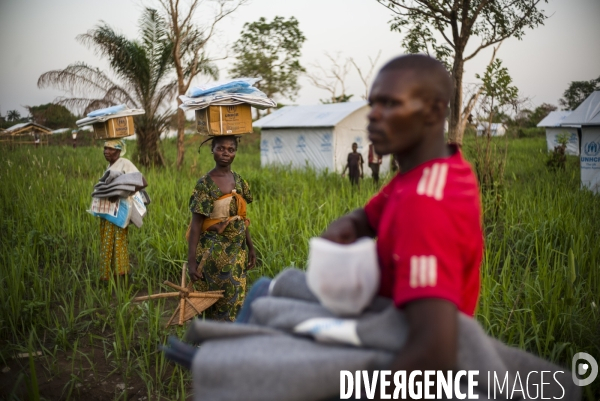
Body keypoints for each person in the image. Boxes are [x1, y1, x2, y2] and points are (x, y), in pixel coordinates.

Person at [321, 54, 483, 395]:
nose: (374, 116)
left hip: (402, 350)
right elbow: (369, 217)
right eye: (373, 103)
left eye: (390, 104)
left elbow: (433, 353)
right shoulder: (425, 172)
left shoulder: (425, 205)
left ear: (435, 111)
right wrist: (348, 223)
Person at [187, 135, 256, 322]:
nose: (225, 153)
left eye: (230, 149)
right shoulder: (205, 184)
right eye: (221, 148)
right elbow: (195, 225)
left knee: (235, 302)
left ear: (236, 152)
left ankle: (228, 345)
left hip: (237, 255)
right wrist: (191, 261)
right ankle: (208, 344)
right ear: (212, 149)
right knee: (210, 303)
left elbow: (241, 218)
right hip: (212, 255)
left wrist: (250, 247)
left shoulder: (239, 181)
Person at [99, 139, 146, 281]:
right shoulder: (110, 165)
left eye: (110, 149)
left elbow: (142, 182)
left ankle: (120, 275)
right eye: (105, 148)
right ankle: (108, 275)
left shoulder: (124, 163)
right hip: (108, 211)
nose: (106, 151)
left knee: (118, 240)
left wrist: (122, 194)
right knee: (107, 240)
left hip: (120, 212)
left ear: (119, 151)